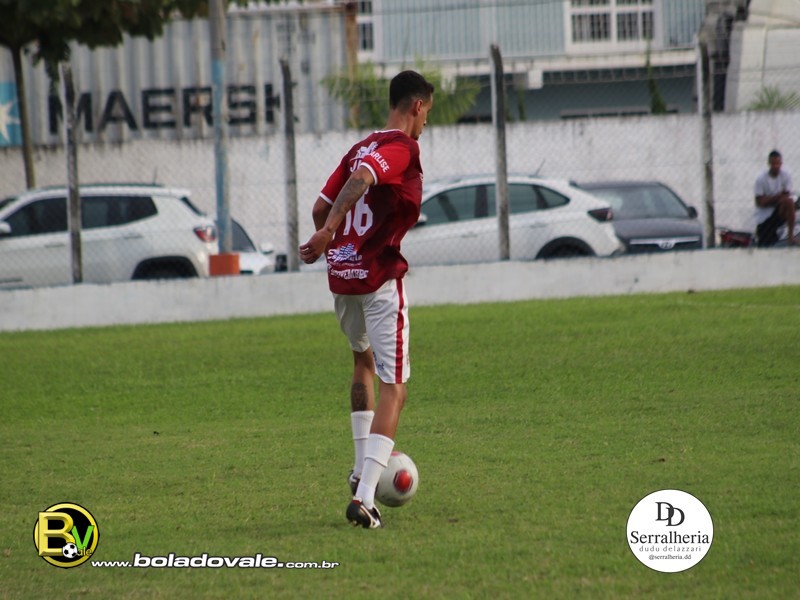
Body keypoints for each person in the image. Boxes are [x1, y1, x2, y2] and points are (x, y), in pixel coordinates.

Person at [299, 70, 434, 529]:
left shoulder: (359, 145)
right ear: (417, 106)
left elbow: (320, 205)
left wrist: (332, 238)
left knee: (362, 362)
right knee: (395, 386)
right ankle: (365, 497)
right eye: (427, 114)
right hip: (378, 280)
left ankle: (361, 469)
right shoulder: (401, 147)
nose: (425, 124)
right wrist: (330, 231)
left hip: (343, 279)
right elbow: (362, 179)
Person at [754, 150, 797, 247]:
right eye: (773, 163)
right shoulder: (761, 178)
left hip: (780, 211)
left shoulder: (786, 175)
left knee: (789, 202)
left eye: (777, 163)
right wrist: (778, 197)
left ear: (781, 163)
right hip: (765, 216)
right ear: (769, 164)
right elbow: (760, 202)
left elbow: (787, 196)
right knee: (764, 244)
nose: (775, 166)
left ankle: (791, 237)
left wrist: (769, 199)